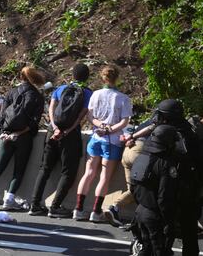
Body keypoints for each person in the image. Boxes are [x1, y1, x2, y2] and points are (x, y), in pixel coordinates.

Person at [28, 63, 92, 217]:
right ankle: (55, 207)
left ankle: (35, 204)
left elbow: (51, 108)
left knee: (45, 168)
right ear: (87, 77)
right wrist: (67, 130)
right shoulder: (88, 93)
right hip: (69, 134)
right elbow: (81, 116)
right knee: (68, 172)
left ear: (73, 75)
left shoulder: (61, 89)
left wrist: (55, 127)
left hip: (52, 130)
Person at [0, 67, 45, 210]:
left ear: (21, 77)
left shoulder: (11, 92)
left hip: (5, 136)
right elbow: (34, 121)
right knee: (19, 170)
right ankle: (9, 200)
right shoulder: (37, 96)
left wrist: (4, 132)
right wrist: (19, 133)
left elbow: (2, 115)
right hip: (24, 138)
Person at [73, 65, 132, 222]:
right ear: (117, 78)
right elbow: (125, 121)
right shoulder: (123, 98)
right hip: (112, 141)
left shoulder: (96, 94)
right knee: (104, 176)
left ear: (102, 77)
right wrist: (110, 129)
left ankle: (78, 208)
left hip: (96, 138)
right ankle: (96, 211)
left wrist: (101, 127)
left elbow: (90, 116)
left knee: (89, 173)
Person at [153, 99, 201, 255]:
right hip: (190, 192)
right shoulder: (191, 133)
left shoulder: (167, 136)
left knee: (166, 233)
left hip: (172, 193)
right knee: (189, 234)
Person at [131, 125, 180, 256]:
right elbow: (164, 196)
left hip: (140, 211)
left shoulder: (142, 157)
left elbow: (133, 186)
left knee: (146, 250)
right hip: (155, 215)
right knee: (159, 251)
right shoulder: (165, 163)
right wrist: (168, 220)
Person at [104, 119, 155, 226]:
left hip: (127, 152)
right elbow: (151, 128)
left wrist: (131, 137)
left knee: (132, 188)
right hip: (139, 152)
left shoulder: (145, 122)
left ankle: (114, 207)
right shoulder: (160, 122)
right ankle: (141, 220)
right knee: (142, 189)